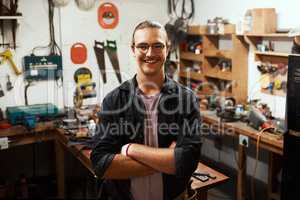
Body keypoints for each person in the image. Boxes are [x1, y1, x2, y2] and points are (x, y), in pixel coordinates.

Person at [90, 20, 201, 200]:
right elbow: (101, 164)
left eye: (157, 45)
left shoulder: (186, 100)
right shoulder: (114, 100)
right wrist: (168, 160)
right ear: (133, 49)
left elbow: (188, 161)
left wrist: (132, 150)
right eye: (143, 46)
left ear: (168, 48)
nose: (150, 53)